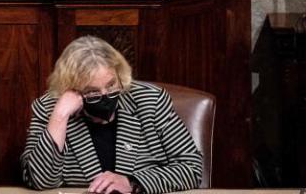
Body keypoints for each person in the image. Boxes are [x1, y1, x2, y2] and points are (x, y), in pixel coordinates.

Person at [21, 36, 202, 194]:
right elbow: (40, 181)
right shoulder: (51, 109)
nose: (105, 96)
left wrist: (133, 182)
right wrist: (60, 116)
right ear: (71, 89)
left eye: (111, 85)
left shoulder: (150, 102)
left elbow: (192, 168)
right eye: (92, 91)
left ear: (119, 75)